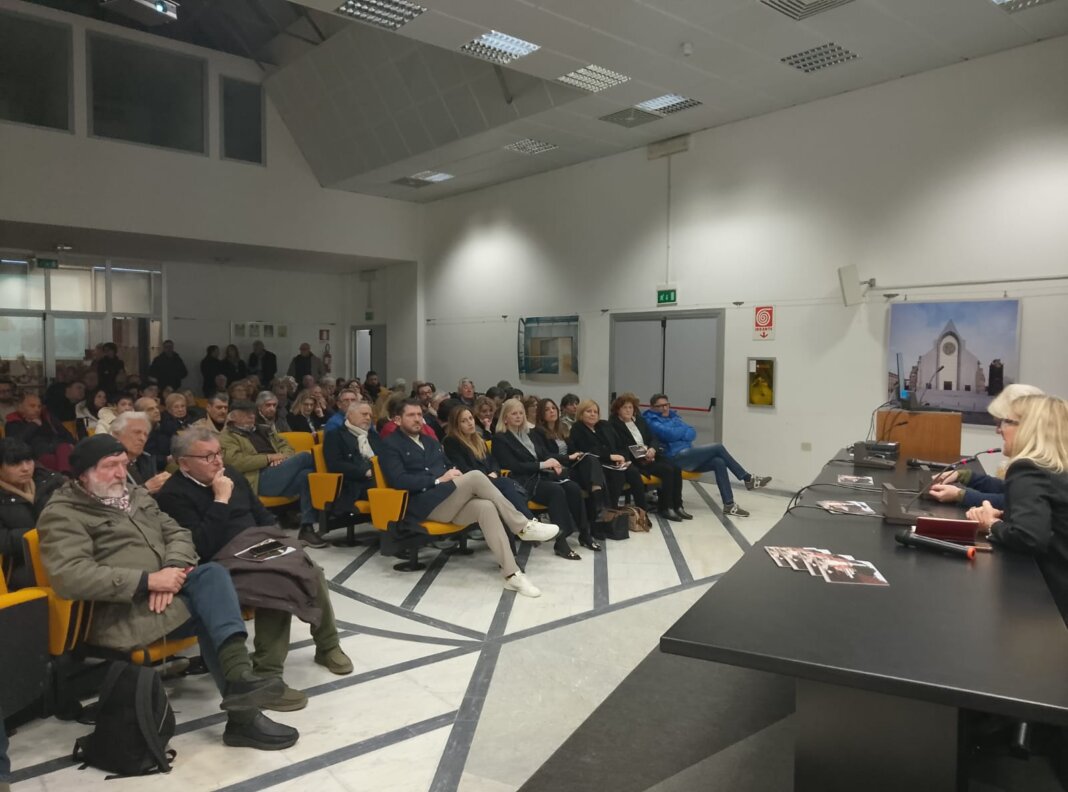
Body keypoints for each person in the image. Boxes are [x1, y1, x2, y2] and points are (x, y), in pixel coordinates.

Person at [37, 434, 299, 750]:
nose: (121, 473)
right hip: (121, 612)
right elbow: (70, 576)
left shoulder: (134, 496)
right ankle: (243, 713)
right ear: (82, 474)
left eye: (123, 464)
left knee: (213, 576)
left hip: (167, 592)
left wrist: (173, 571)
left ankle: (241, 683)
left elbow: (177, 533)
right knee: (212, 607)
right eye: (110, 466)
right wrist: (147, 581)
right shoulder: (63, 514)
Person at [158, 428, 353, 710]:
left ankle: (328, 645)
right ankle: (267, 673)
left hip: (259, 544)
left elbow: (260, 511)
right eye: (207, 456)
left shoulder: (231, 474)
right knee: (276, 584)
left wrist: (276, 537)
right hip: (222, 561)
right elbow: (200, 544)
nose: (217, 461)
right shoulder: (173, 495)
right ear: (183, 462)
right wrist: (220, 499)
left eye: (218, 453)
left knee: (310, 568)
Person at [378, 399, 558, 597]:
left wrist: (452, 474)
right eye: (411, 415)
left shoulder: (430, 442)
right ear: (397, 419)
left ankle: (512, 575)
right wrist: (437, 480)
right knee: (475, 476)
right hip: (423, 503)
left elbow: (448, 465)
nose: (417, 419)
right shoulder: (390, 445)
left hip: (447, 499)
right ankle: (523, 526)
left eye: (420, 415)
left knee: (486, 507)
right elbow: (398, 480)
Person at [967, 395, 1068, 614]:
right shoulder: (1057, 470)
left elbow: (1030, 537)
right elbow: (1054, 523)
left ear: (1029, 428)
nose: (1000, 429)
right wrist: (1004, 517)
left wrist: (992, 524)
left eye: (1006, 422)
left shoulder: (1028, 469)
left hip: (1049, 606)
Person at [492, 398, 595, 558]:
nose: (518, 417)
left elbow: (545, 455)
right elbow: (513, 465)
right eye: (514, 414)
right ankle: (561, 542)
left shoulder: (529, 434)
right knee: (556, 491)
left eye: (521, 413)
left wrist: (558, 461)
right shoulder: (500, 438)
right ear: (505, 418)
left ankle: (584, 534)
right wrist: (542, 464)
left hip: (541, 476)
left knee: (572, 487)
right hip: (523, 480)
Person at [643, 393, 770, 517]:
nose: (665, 408)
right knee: (718, 447)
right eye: (661, 406)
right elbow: (670, 435)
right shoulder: (651, 421)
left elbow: (692, 433)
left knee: (719, 462)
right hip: (674, 458)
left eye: (667, 405)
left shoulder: (673, 416)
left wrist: (679, 433)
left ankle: (729, 505)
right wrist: (681, 433)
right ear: (653, 407)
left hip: (688, 455)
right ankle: (747, 478)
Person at [219, 401, 322, 548]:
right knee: (307, 456)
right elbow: (235, 462)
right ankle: (338, 488)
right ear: (233, 418)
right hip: (258, 477)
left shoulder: (264, 429)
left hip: (279, 471)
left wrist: (281, 457)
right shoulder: (226, 437)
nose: (251, 416)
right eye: (245, 414)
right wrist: (268, 459)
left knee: (308, 475)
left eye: (252, 413)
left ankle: (307, 527)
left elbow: (286, 446)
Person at [928, 383, 1046, 510]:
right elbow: (1006, 489)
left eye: (1003, 422)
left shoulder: (1039, 465)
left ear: (1027, 424)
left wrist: (960, 495)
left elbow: (1010, 504)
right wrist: (965, 476)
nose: (998, 430)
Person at [442, 405, 533, 522]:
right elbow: (463, 468)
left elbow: (493, 460)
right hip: (472, 484)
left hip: (490, 479)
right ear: (456, 425)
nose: (470, 423)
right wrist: (486, 477)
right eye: (464, 421)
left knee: (507, 490)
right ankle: (529, 522)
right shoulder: (451, 442)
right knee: (506, 484)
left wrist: (494, 472)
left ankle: (522, 530)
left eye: (471, 418)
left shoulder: (478, 439)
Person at [609, 393, 691, 521]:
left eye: (630, 407)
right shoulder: (613, 425)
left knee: (675, 468)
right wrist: (643, 454)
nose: (628, 410)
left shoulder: (640, 420)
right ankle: (666, 507)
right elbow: (619, 447)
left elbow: (653, 438)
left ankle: (678, 505)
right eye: (625, 407)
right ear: (618, 410)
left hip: (650, 455)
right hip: (635, 461)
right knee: (667, 470)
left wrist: (652, 449)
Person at [0, 438, 64, 589]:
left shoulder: (51, 482)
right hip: (19, 563)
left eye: (28, 461)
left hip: (62, 550)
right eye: (15, 464)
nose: (25, 468)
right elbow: (3, 540)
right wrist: (40, 534)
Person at [570, 398, 649, 514]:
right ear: (581, 413)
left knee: (633, 472)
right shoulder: (577, 428)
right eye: (589, 411)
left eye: (595, 412)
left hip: (615, 462)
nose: (593, 414)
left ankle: (642, 511)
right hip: (595, 464)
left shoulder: (603, 425)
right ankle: (610, 512)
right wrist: (611, 457)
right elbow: (588, 450)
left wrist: (622, 458)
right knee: (617, 476)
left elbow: (621, 445)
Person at [322, 402, 380, 511]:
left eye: (370, 416)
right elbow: (335, 464)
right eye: (364, 414)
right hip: (354, 484)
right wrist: (365, 472)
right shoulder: (335, 435)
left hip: (378, 478)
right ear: (350, 415)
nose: (368, 418)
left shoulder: (374, 436)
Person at [4, 392, 74, 473]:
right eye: (32, 406)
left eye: (39, 406)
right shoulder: (13, 422)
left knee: (64, 447)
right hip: (36, 455)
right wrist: (33, 424)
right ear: (20, 407)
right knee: (51, 459)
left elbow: (65, 433)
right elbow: (14, 443)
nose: (37, 409)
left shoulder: (47, 417)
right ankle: (66, 476)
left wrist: (71, 443)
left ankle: (65, 476)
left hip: (58, 448)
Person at [111, 411, 171, 494]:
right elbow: (109, 501)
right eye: (137, 432)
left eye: (145, 434)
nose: (142, 438)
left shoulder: (147, 460)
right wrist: (145, 489)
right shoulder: (106, 463)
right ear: (116, 435)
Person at [135, 396, 169, 472]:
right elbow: (143, 459)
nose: (157, 411)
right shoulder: (137, 434)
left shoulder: (164, 428)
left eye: (157, 407)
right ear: (139, 413)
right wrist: (166, 459)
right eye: (150, 409)